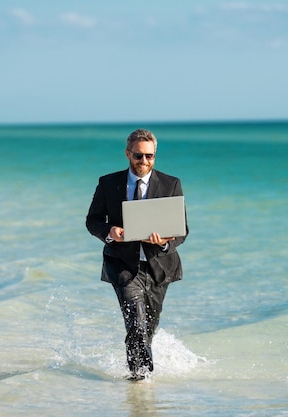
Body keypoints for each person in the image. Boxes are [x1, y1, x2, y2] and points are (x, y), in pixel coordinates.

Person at [86, 129, 188, 380]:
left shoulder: (170, 183)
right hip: (122, 264)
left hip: (159, 266)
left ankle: (138, 369)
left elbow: (182, 230)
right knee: (135, 321)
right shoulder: (108, 183)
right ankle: (141, 379)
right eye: (138, 156)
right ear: (127, 154)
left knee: (147, 328)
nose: (144, 162)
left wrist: (165, 243)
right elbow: (92, 220)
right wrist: (110, 232)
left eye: (149, 156)